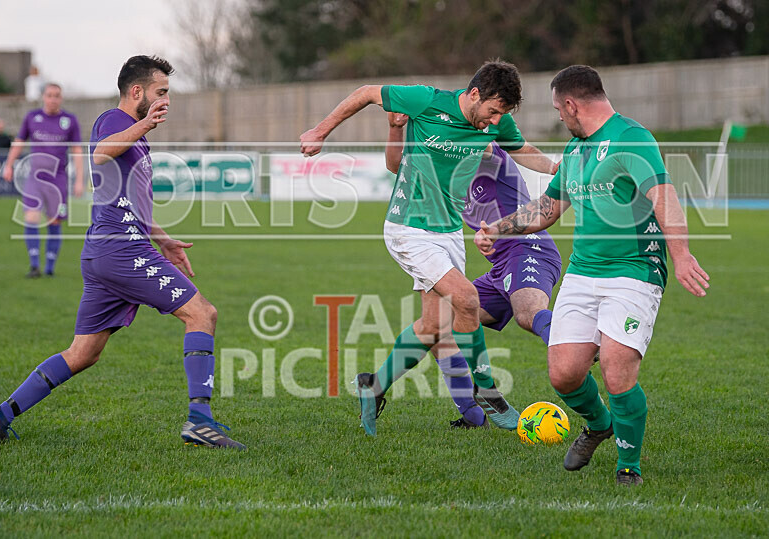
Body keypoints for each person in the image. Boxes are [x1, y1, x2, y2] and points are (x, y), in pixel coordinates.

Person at [0, 55, 244, 450]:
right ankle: (200, 421)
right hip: (121, 250)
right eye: (161, 92)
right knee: (202, 313)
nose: (165, 100)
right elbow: (98, 153)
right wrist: (145, 123)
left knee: (83, 352)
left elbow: (127, 199)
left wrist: (162, 238)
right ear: (137, 92)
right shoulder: (114, 121)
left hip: (108, 250)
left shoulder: (137, 136)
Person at [475, 65, 709, 485]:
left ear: (571, 104)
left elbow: (665, 196)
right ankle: (599, 425)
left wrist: (682, 255)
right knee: (564, 373)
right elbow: (546, 211)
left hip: (634, 272)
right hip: (583, 273)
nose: (559, 119)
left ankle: (628, 466)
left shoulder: (630, 138)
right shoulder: (576, 152)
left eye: (558, 111)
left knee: (617, 371)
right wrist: (498, 227)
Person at [300, 60, 559, 436]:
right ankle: (486, 391)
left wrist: (556, 170)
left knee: (434, 326)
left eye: (500, 115)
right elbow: (367, 93)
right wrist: (320, 131)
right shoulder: (425, 99)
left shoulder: (497, 122)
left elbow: (522, 149)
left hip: (449, 231)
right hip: (409, 228)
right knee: (467, 298)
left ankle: (373, 387)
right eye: (491, 111)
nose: (493, 122)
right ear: (473, 94)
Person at [385, 112, 562, 429]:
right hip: (499, 267)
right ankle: (473, 413)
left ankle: (572, 343)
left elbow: (486, 145)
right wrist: (395, 128)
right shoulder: (445, 173)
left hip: (528, 247)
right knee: (440, 329)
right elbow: (396, 166)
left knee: (527, 313)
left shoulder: (487, 152)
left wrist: (440, 123)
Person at [3, 83, 85, 277]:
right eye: (49, 95)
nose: (53, 99)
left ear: (61, 98)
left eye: (57, 95)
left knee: (54, 221)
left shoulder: (69, 120)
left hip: (58, 179)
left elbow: (77, 151)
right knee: (31, 217)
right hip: (35, 178)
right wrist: (9, 164)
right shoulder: (32, 118)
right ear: (43, 97)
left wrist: (80, 180)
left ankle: (49, 268)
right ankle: (34, 266)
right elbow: (19, 142)